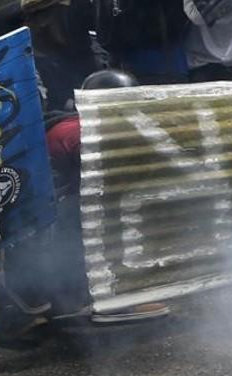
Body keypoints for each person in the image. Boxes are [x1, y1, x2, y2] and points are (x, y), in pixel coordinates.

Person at [41, 69, 170, 325]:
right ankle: (105, 302)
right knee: (112, 205)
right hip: (61, 217)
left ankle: (86, 297)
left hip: (60, 217)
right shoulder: (76, 131)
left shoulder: (77, 123)